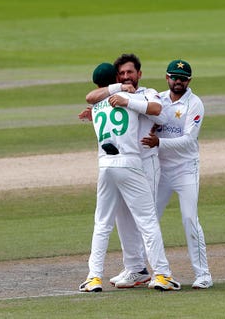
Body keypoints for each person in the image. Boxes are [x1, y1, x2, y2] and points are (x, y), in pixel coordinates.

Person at [79, 62, 180, 292]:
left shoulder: (97, 105)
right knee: (147, 221)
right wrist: (126, 96)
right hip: (130, 162)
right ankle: (162, 274)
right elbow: (154, 111)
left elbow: (92, 97)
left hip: (105, 165)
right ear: (116, 78)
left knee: (102, 224)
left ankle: (94, 277)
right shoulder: (127, 99)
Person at [141, 59, 213, 289]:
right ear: (166, 78)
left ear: (189, 80)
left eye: (182, 78)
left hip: (185, 170)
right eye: (174, 77)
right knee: (149, 220)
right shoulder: (158, 100)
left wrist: (158, 142)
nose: (178, 81)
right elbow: (136, 112)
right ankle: (139, 270)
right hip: (160, 170)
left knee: (189, 219)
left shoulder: (195, 104)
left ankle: (203, 275)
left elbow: (188, 140)